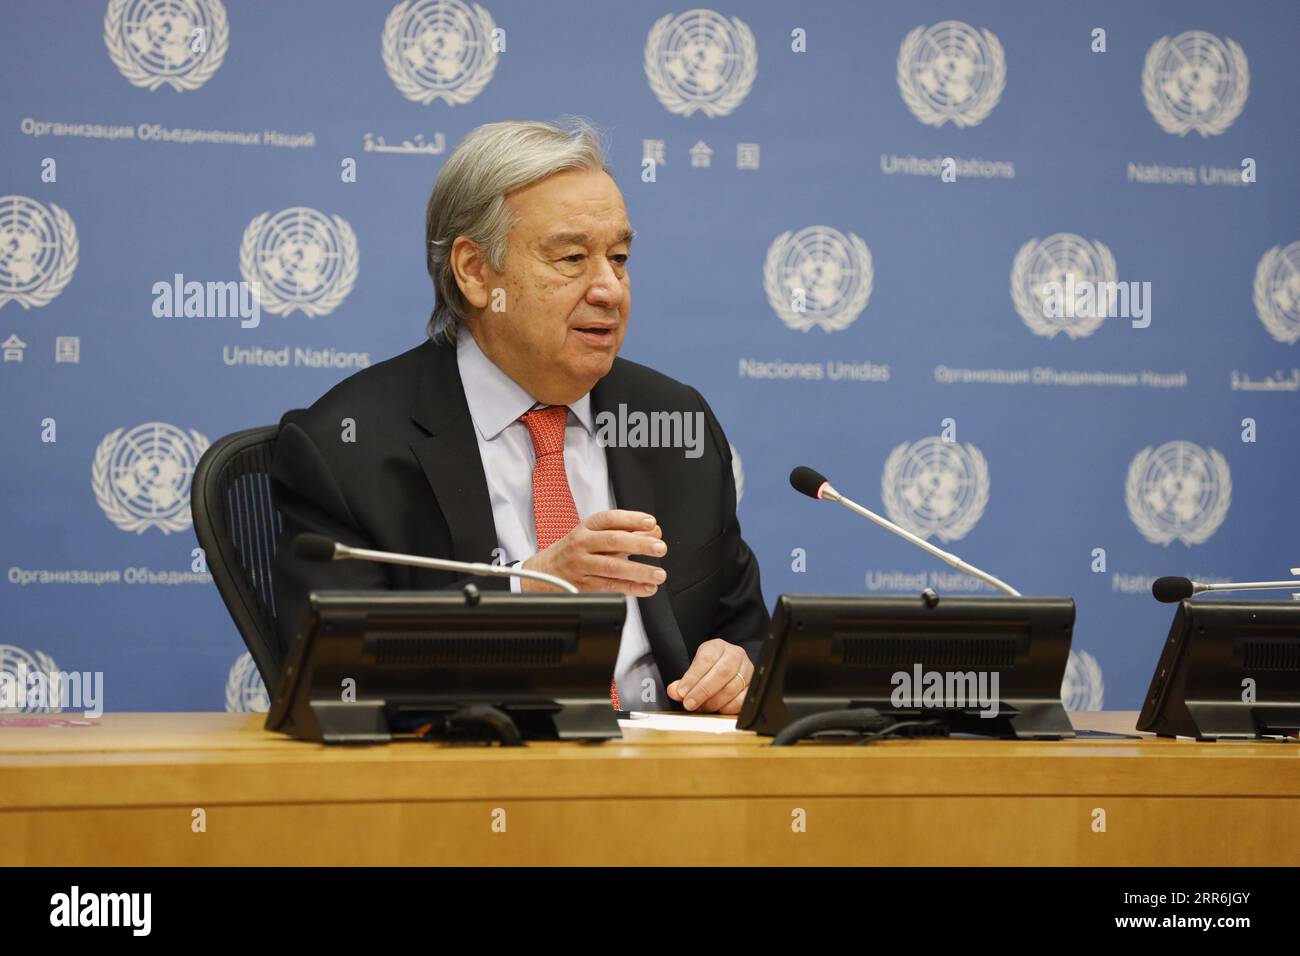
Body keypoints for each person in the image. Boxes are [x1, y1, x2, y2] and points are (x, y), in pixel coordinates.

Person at [269, 119, 767, 713]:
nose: (609, 288)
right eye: (572, 258)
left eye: (619, 257)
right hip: (472, 780)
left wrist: (738, 669)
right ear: (476, 272)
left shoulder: (673, 422)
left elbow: (748, 633)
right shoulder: (348, 447)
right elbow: (337, 679)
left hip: (665, 784)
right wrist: (528, 587)